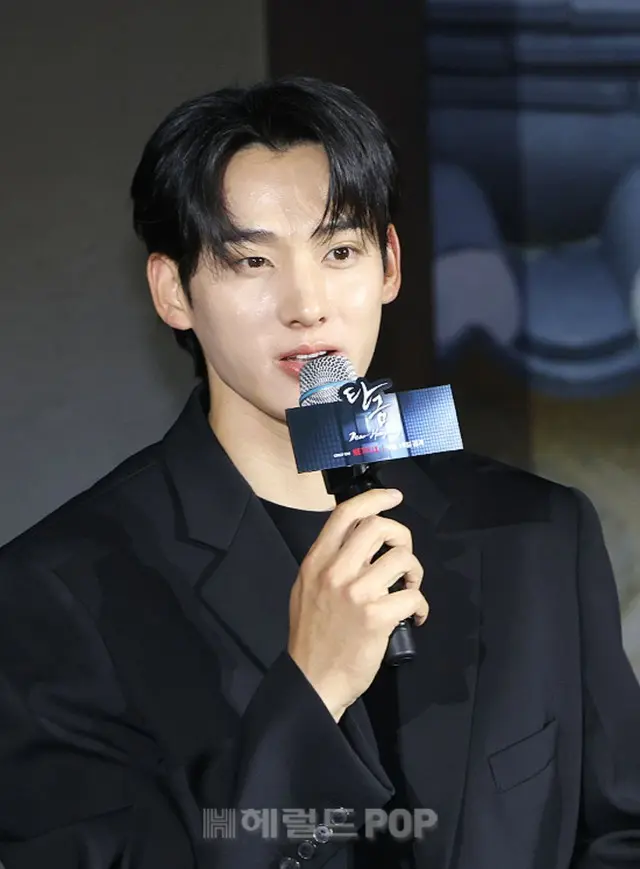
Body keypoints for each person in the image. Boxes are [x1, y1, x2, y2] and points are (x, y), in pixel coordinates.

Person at [0, 76, 639, 869]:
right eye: (251, 261)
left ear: (390, 264)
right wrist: (312, 688)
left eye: (339, 252)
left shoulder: (538, 533)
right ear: (173, 291)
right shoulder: (55, 593)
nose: (306, 304)